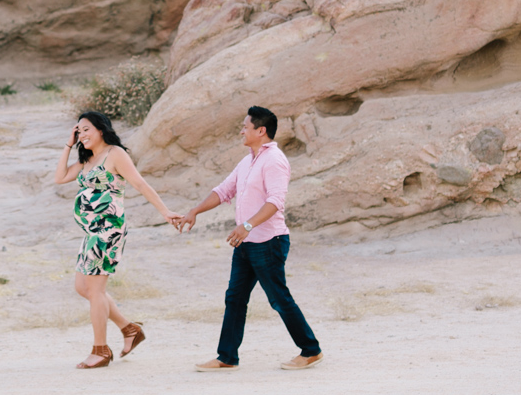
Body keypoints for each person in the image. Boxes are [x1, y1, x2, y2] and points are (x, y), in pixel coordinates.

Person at [176, 106, 323, 372]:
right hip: (245, 243)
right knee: (234, 297)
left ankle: (311, 350)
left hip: (268, 242)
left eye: (245, 126)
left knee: (278, 298)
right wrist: (194, 211)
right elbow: (223, 191)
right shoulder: (248, 161)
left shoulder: (275, 160)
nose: (241, 130)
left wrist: (247, 225)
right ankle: (227, 357)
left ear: (261, 130)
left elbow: (275, 201)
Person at [54, 110, 183, 369]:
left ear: (101, 129)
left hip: (108, 230)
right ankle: (130, 329)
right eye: (78, 130)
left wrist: (166, 212)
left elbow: (141, 184)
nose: (82, 134)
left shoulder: (115, 154)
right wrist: (69, 145)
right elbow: (59, 178)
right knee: (83, 288)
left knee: (96, 290)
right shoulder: (87, 159)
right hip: (92, 232)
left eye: (86, 129)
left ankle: (100, 350)